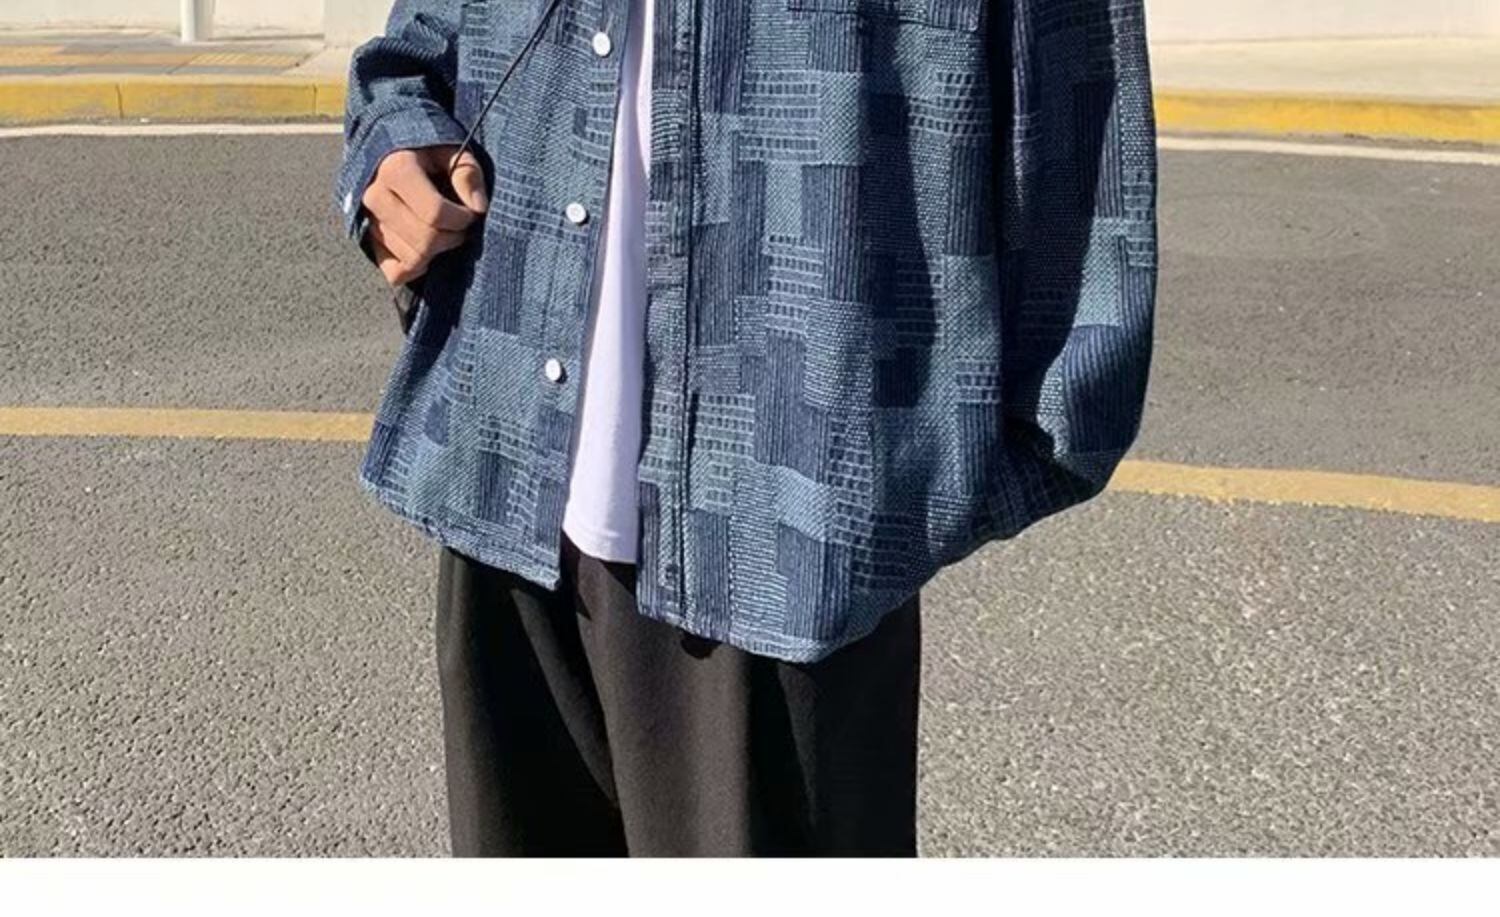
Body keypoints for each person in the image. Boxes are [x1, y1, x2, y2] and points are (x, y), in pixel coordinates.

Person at [334, 0, 1157, 857]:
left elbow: (1088, 195)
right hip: (505, 487)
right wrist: (392, 146)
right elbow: (421, 46)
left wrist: (887, 508)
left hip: (781, 552)